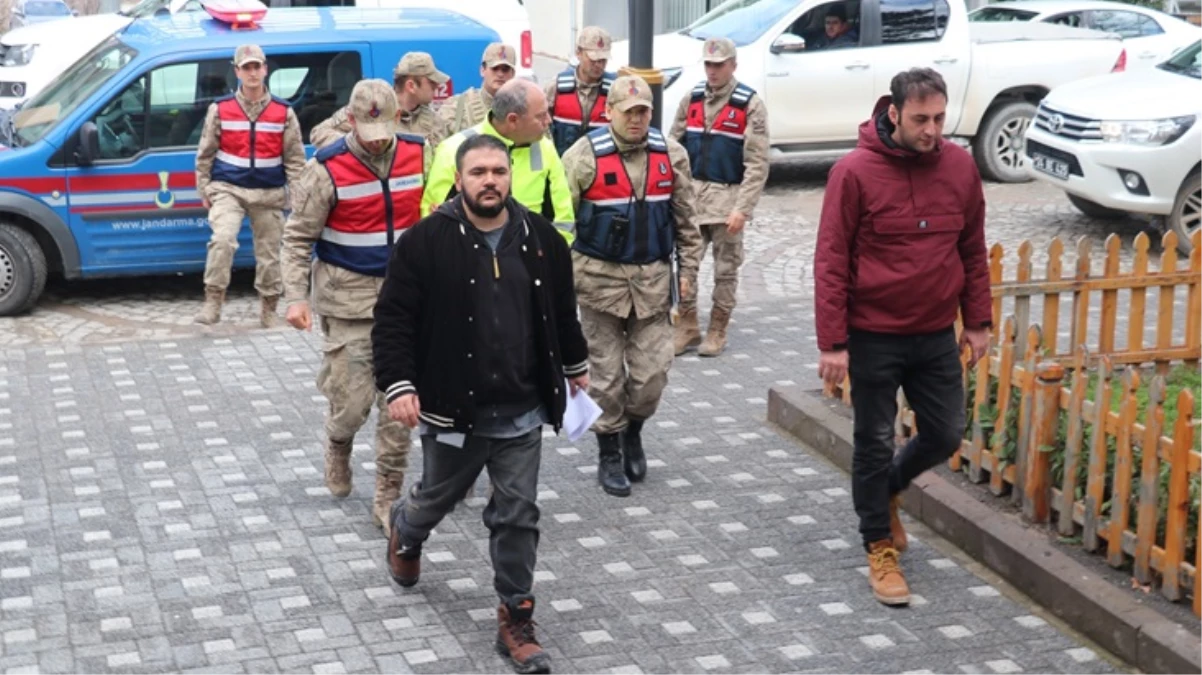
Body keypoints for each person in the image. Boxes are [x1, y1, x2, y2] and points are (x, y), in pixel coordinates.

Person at [374, 133, 589, 674]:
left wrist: (575, 366)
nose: (489, 180)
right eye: (478, 172)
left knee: (517, 514)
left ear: (509, 175)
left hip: (521, 411)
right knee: (437, 497)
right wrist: (400, 385)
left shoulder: (542, 239)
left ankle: (515, 617)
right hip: (452, 410)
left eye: (498, 170)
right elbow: (393, 320)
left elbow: (562, 311)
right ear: (460, 179)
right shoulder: (424, 242)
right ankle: (408, 526)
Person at [814, 68, 992, 607]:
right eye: (921, 119)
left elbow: (972, 247)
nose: (933, 129)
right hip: (872, 335)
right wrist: (832, 342)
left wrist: (978, 320)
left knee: (945, 434)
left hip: (935, 331)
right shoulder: (854, 173)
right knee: (872, 440)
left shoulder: (959, 168)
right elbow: (831, 260)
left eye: (939, 118)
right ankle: (878, 546)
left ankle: (888, 488)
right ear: (893, 113)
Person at [279, 79, 428, 537]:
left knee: (399, 404)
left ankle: (388, 495)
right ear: (352, 120)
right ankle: (338, 441)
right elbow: (297, 238)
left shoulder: (420, 153)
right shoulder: (325, 169)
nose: (380, 138)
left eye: (387, 127)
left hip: (407, 300)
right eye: (370, 128)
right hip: (348, 301)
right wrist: (296, 297)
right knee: (352, 402)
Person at [561, 75, 703, 498]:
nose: (639, 120)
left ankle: (634, 430)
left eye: (644, 112)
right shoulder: (582, 157)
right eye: (630, 113)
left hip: (653, 284)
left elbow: (686, 222)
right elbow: (561, 227)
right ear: (610, 113)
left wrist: (689, 271)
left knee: (651, 376)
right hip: (598, 286)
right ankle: (609, 450)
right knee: (604, 378)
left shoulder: (671, 155)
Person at [669, 37, 769, 357]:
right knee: (685, 265)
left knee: (725, 271)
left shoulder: (749, 104)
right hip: (693, 200)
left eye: (719, 65)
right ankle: (687, 326)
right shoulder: (692, 99)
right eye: (709, 64)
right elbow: (674, 147)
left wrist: (744, 208)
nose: (712, 71)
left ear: (733, 65)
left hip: (728, 201)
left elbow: (757, 163)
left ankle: (718, 328)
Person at [194, 44, 306, 327]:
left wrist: (298, 196)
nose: (253, 73)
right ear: (237, 72)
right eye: (247, 67)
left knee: (269, 255)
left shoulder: (284, 112)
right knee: (222, 240)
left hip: (269, 193)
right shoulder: (220, 109)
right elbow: (205, 153)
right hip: (228, 189)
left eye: (257, 66)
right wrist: (204, 188)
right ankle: (213, 301)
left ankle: (269, 308)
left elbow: (295, 160)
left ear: (265, 69)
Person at [422, 78, 575, 241]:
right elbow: (432, 219)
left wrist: (552, 258)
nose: (548, 121)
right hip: (469, 258)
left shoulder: (545, 148)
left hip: (530, 259)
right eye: (541, 116)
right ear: (513, 120)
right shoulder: (453, 149)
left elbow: (563, 217)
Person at [311, 52, 453, 156]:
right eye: (431, 82)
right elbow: (319, 133)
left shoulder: (433, 121)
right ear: (411, 86)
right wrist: (359, 146)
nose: (437, 86)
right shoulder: (370, 108)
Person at [545, 26, 615, 156]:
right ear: (578, 53)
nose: (599, 65)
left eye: (603, 60)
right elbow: (541, 131)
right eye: (593, 59)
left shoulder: (615, 90)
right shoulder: (555, 88)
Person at [437, 42, 517, 133]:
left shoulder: (522, 108)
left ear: (513, 74)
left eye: (505, 69)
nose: (500, 74)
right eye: (494, 68)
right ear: (482, 70)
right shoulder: (457, 106)